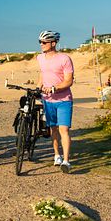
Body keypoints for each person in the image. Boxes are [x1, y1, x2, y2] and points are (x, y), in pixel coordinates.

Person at [37, 31, 75, 174]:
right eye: (40, 42)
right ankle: (57, 155)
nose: (41, 45)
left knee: (63, 129)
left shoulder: (64, 58)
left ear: (53, 43)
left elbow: (69, 80)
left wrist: (55, 88)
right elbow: (42, 74)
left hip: (64, 99)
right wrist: (38, 88)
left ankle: (66, 161)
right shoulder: (39, 58)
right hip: (47, 100)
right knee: (53, 129)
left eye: (44, 42)